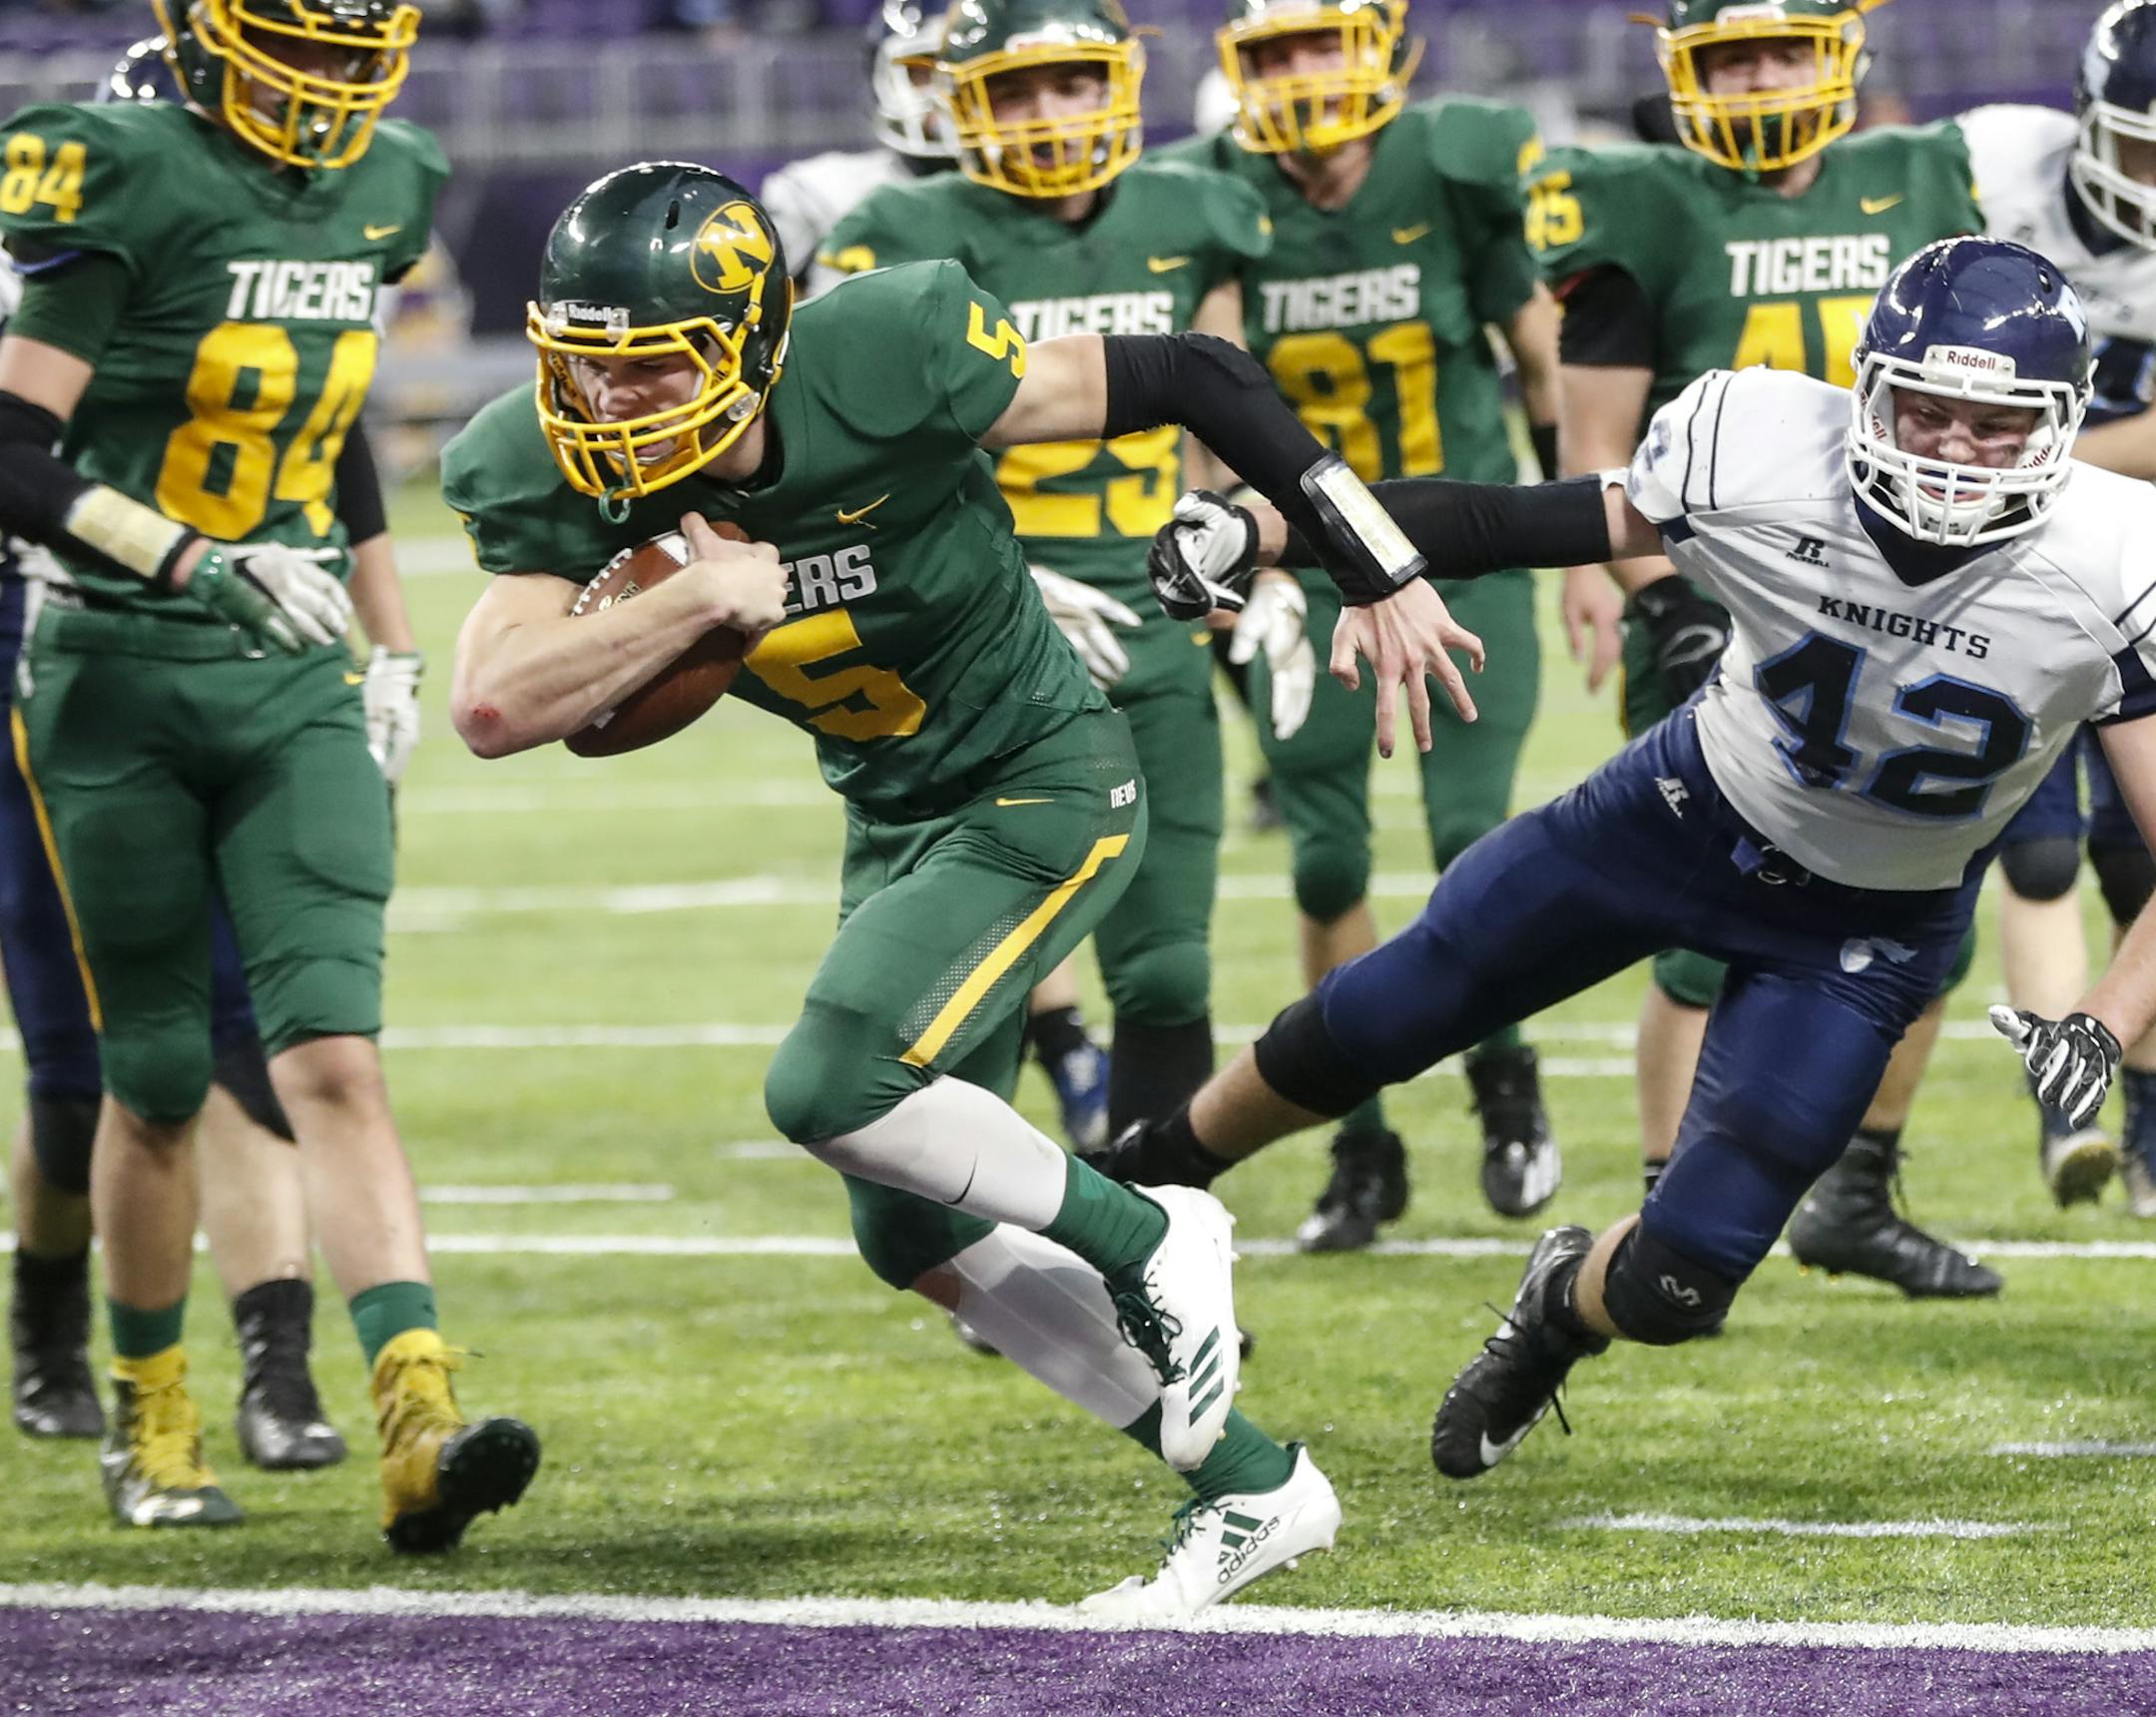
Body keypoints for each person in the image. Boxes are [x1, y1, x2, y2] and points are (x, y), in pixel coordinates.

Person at [438, 163, 1458, 1612]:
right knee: (905, 1225)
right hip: (896, 813)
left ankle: (1148, 1227)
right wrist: (699, 597)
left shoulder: (887, 347)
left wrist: (1367, 556)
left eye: (648, 363)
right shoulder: (529, 463)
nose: (606, 405)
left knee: (825, 1087)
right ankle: (1252, 1484)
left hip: (1042, 775)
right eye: (579, 365)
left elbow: (1198, 370)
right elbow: (492, 705)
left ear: (749, 339)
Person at [1137, 236, 2154, 1475]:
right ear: (1865, 388)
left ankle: (1558, 1307)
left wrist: (2101, 1019)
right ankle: (1141, 1178)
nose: (1950, 450)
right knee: (1394, 1006)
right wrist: (1265, 529)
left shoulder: (2118, 558)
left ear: (2062, 424)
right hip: (1681, 808)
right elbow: (1501, 519)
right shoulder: (1767, 447)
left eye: (1993, 425)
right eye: (1924, 410)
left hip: (1868, 925)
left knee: (1685, 1282)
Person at [0, 0, 536, 1546]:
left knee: (334, 1060)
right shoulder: (118, 163)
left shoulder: (389, 175)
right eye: (296, 39)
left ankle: (417, 1425)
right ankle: (149, 1414)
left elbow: (330, 410)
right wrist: (180, 556)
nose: (329, 76)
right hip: (118, 667)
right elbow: (14, 448)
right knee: (157, 1076)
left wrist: (389, 637)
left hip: (293, 669)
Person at [1532, 0, 1995, 1297]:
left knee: (1929, 920)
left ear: (1839, 53)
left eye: (1781, 48)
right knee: (1704, 921)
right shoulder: (1640, 206)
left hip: (1904, 602)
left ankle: (1853, 1195)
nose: (1757, 77)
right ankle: (1666, 1218)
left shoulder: (1918, 174)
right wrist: (1653, 601)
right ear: (1681, 70)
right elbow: (1597, 458)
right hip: (1724, 601)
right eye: (1729, 54)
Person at [1120, 0, 1569, 1245]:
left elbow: (1538, 362)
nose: (1302, 75)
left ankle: (1504, 1075)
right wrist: (1217, 542)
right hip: (1304, 566)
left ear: (1378, 45)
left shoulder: (1457, 164)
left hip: (1462, 549)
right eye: (1272, 55)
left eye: (1320, 43)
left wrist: (1583, 545)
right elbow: (1204, 391)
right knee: (1324, 859)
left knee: (1476, 834)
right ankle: (1361, 1145)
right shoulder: (1218, 193)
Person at [817, 0, 1302, 1154]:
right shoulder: (901, 228)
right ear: (958, 101)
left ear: (1121, 84)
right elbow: (863, 460)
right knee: (971, 974)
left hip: (1152, 616)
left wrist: (1264, 554)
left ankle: (1156, 1238)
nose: (1047, 114)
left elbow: (1226, 412)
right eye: (1016, 90)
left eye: (1071, 83)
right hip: (978, 652)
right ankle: (997, 1232)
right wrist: (995, 586)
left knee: (1170, 967)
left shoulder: (1192, 210)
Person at [1954, 0, 2156, 1216]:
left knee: (2140, 856)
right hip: (2010, 561)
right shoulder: (1987, 166)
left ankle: (2146, 1129)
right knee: (2032, 845)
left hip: (2143, 570)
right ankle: (2063, 1115)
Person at [760, 0, 957, 292]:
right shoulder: (822, 193)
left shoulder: (1038, 200)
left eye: (957, 73)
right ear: (881, 78)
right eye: (922, 73)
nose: (944, 95)